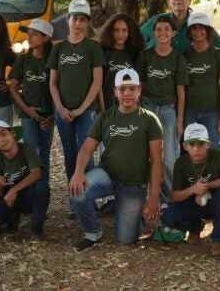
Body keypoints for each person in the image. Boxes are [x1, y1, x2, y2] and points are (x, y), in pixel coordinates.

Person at [68, 68, 164, 251]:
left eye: (132, 89)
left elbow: (157, 160)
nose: (127, 93)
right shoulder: (105, 117)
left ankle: (134, 214)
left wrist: (153, 196)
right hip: (107, 175)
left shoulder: (150, 120)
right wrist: (78, 173)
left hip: (133, 184)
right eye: (122, 89)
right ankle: (93, 232)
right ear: (115, 92)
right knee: (76, 191)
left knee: (126, 239)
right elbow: (86, 148)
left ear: (139, 91)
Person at [47, 0, 105, 184]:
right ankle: (73, 196)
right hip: (63, 111)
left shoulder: (93, 47)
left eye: (82, 19)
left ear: (87, 23)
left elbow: (97, 81)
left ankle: (87, 194)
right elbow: (53, 83)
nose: (78, 24)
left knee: (86, 153)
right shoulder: (58, 49)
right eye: (74, 18)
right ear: (67, 20)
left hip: (86, 110)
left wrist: (82, 108)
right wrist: (60, 108)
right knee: (69, 153)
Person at [161, 123, 220, 257]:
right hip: (194, 203)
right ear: (185, 146)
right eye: (192, 144)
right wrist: (194, 190)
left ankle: (219, 238)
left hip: (215, 203)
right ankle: (195, 228)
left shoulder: (217, 155)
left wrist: (206, 186)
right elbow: (174, 195)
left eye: (201, 144)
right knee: (169, 215)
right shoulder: (181, 163)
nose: (196, 149)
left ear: (208, 144)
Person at [135, 15, 189, 200]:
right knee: (145, 154)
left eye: (167, 29)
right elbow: (139, 87)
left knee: (169, 158)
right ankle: (146, 197)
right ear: (153, 32)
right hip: (147, 107)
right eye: (158, 29)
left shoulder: (178, 58)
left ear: (174, 33)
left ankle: (170, 198)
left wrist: (179, 121)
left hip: (168, 110)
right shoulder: (145, 56)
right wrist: (137, 114)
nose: (162, 33)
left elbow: (181, 91)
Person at [9, 19, 55, 191]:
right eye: (28, 34)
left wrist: (53, 115)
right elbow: (13, 87)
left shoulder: (53, 60)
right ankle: (30, 190)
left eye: (34, 34)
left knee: (44, 153)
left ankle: (43, 190)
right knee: (30, 152)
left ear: (45, 38)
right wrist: (26, 108)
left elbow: (58, 88)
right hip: (27, 114)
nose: (29, 37)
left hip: (48, 114)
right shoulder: (23, 59)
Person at [0, 120, 49, 240]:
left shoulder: (27, 149)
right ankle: (13, 218)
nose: (1, 140)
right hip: (10, 200)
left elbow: (36, 173)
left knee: (41, 187)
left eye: (3, 134)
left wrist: (14, 190)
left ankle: (37, 226)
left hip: (28, 195)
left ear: (13, 133)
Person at [140, 0, 220, 61]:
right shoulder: (155, 21)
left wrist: (210, 72)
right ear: (168, 1)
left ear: (190, 1)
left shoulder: (200, 25)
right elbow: (136, 41)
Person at [183, 12, 220, 149]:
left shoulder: (217, 54)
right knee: (192, 151)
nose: (198, 31)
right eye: (194, 28)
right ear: (189, 32)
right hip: (190, 112)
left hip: (212, 112)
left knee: (214, 150)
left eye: (201, 27)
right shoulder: (185, 55)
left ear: (208, 30)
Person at [98, 13, 144, 111]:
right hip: (107, 105)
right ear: (110, 32)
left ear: (130, 31)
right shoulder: (103, 52)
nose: (120, 34)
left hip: (128, 106)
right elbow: (98, 83)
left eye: (124, 30)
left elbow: (139, 84)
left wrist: (136, 107)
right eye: (116, 30)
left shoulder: (135, 54)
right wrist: (102, 109)